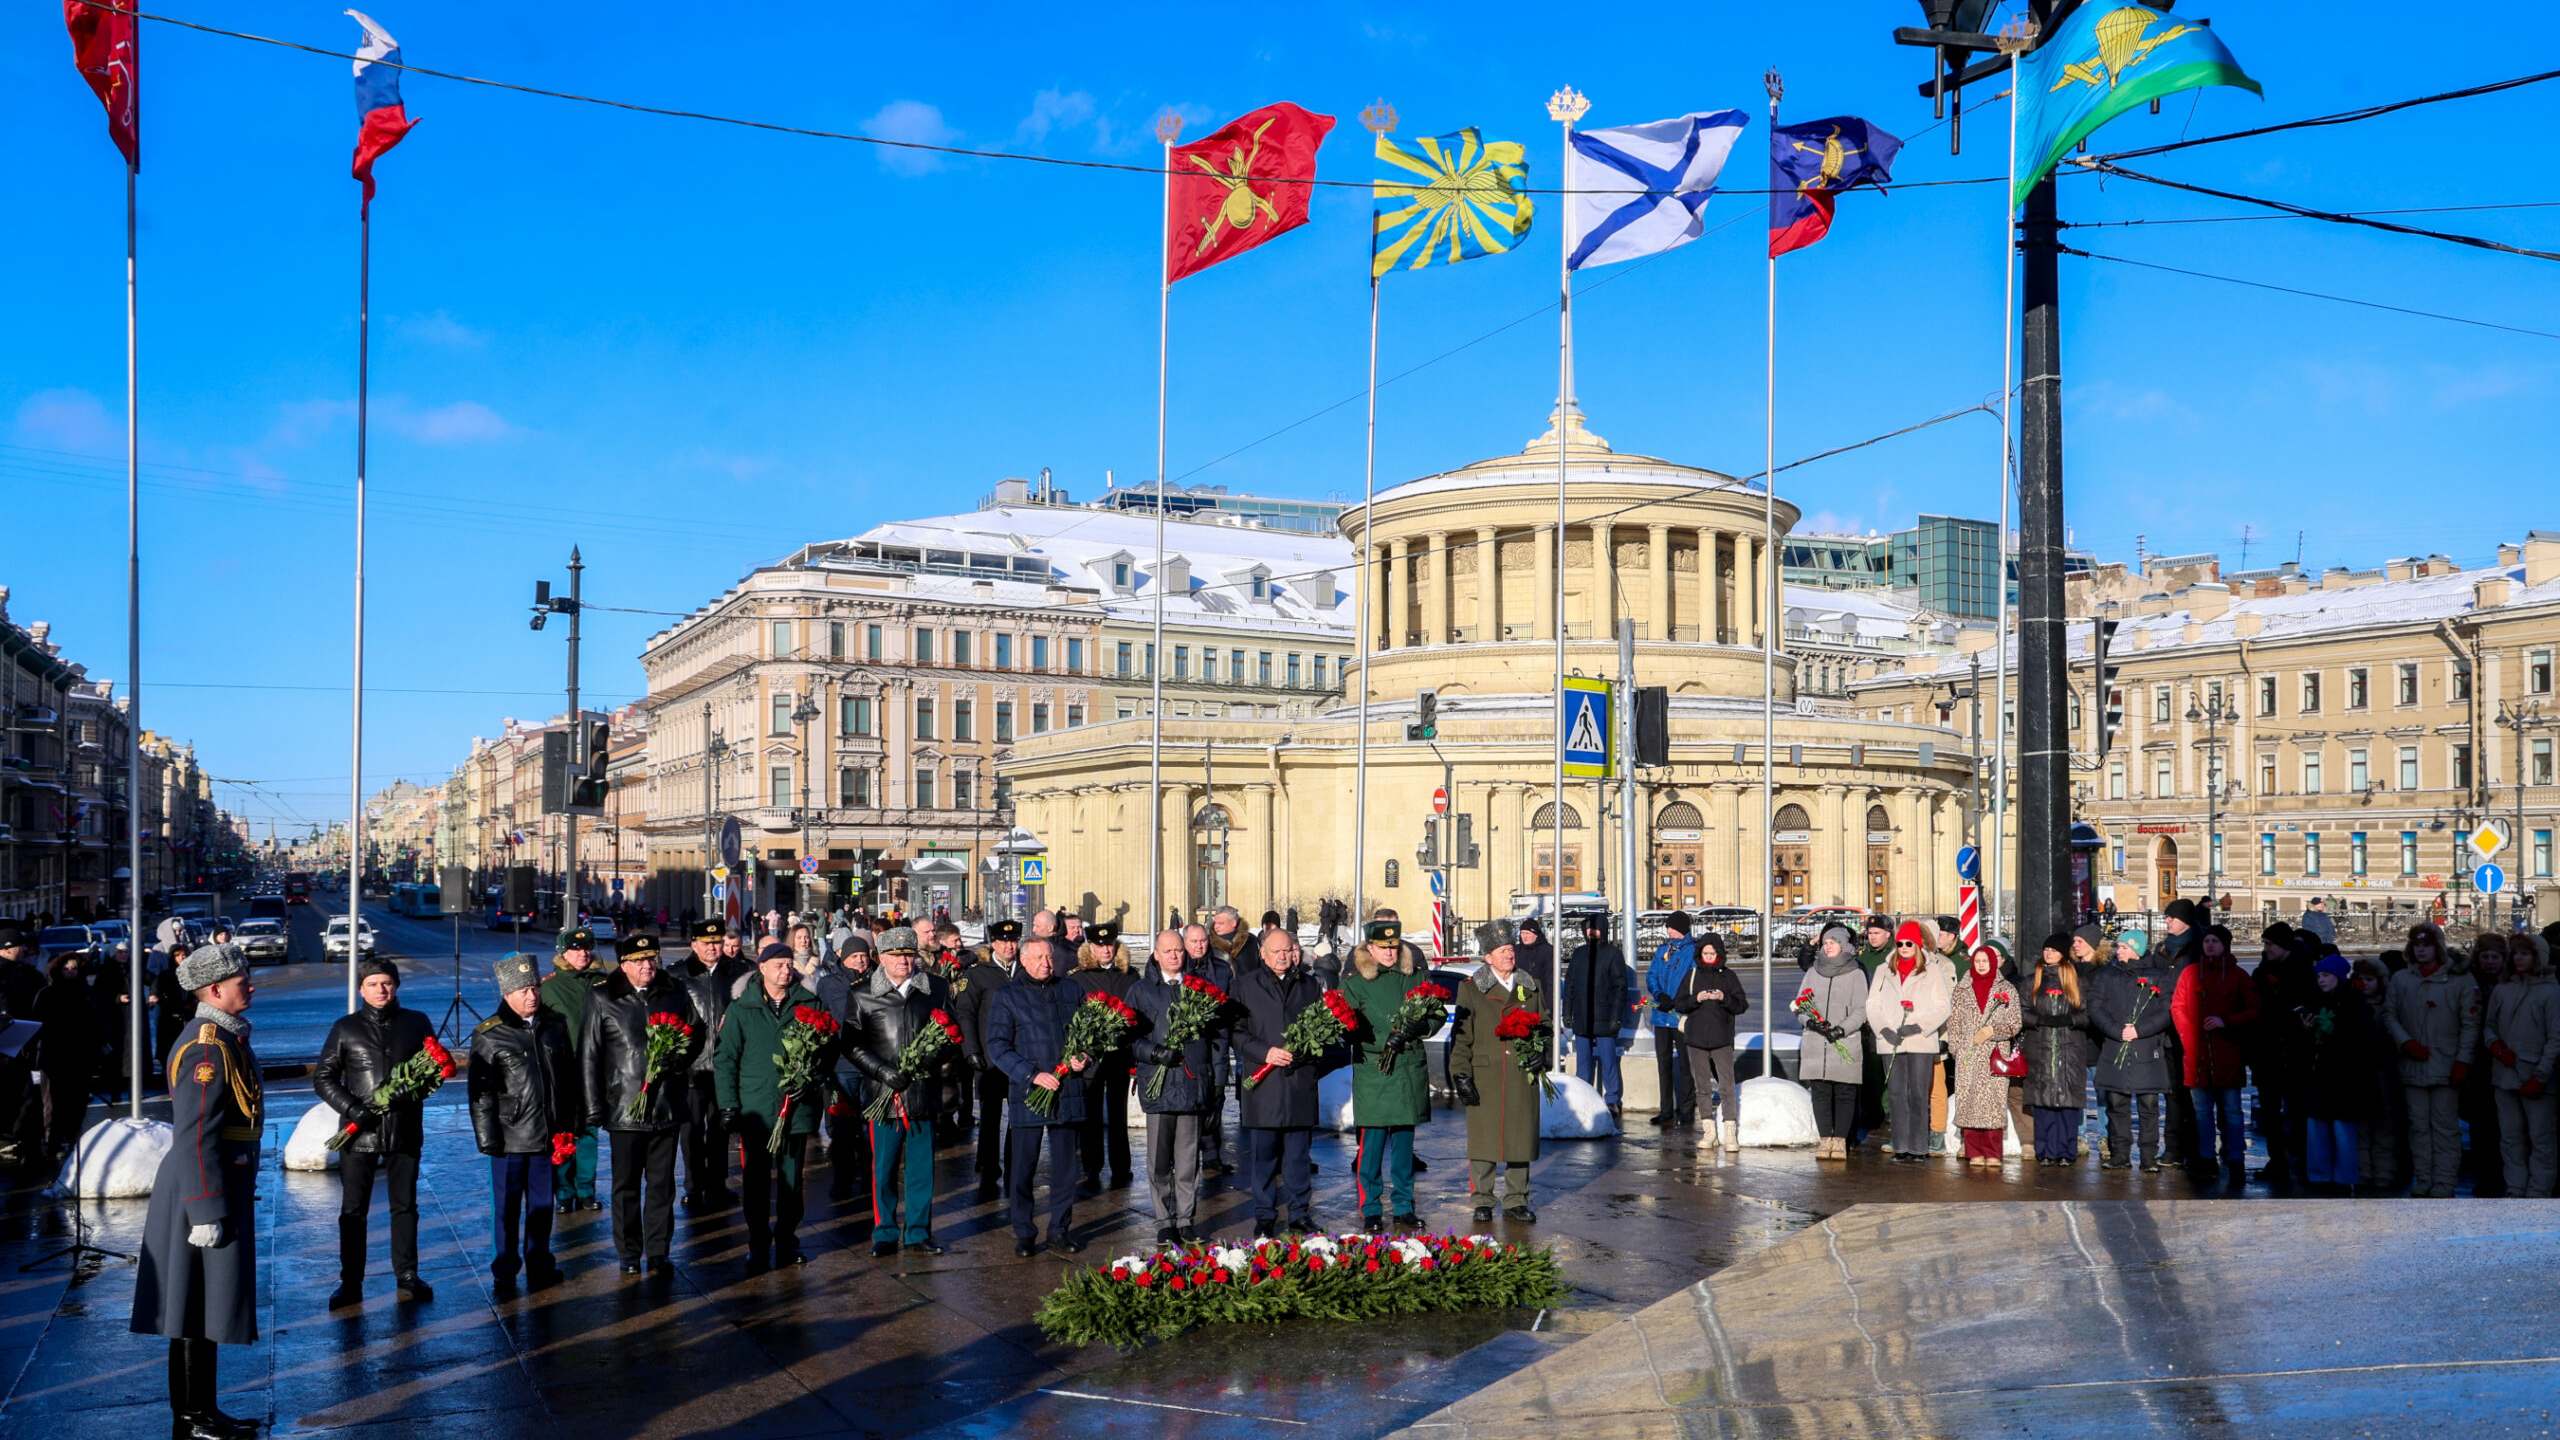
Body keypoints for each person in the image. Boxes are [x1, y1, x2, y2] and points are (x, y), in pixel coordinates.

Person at [129, 943, 261, 1440]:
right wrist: (205, 1209)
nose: (250, 986)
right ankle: (190, 1419)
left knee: (208, 1306)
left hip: (218, 1180)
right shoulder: (208, 1046)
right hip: (199, 1188)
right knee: (192, 1307)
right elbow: (194, 1133)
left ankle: (204, 1410)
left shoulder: (226, 1036)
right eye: (242, 981)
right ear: (215, 990)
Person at [581, 932, 705, 1276]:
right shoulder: (603, 996)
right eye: (639, 961)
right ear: (623, 965)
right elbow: (589, 1054)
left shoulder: (674, 990)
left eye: (651, 958)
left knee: (662, 1184)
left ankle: (659, 1250)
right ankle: (630, 1252)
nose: (647, 966)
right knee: (626, 1185)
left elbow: (696, 1032)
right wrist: (593, 1106)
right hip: (623, 1106)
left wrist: (678, 1062)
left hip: (666, 1104)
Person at [315, 957, 436, 1306]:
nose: (380, 990)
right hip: (359, 1135)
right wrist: (354, 1109)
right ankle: (350, 1281)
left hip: (404, 1130)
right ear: (361, 990)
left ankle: (407, 1275)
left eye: (386, 983)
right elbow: (323, 1078)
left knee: (405, 1206)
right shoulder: (346, 1028)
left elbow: (433, 1070)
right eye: (372, 984)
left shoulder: (416, 1022)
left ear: (396, 985)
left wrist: (406, 1092)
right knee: (353, 1210)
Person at [725, 942, 837, 1266]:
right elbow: (726, 1059)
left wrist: (811, 1079)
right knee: (756, 1181)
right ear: (761, 968)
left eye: (789, 965)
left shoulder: (810, 1003)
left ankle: (787, 1239)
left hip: (796, 1108)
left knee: (792, 1181)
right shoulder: (742, 1007)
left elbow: (828, 1051)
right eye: (779, 965)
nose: (786, 971)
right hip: (756, 1110)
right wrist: (728, 1105)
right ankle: (758, 1242)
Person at [469, 954, 576, 1289]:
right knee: (507, 1207)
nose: (532, 996)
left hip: (547, 1135)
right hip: (510, 1136)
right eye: (524, 991)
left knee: (542, 1205)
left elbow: (568, 1078)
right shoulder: (490, 1035)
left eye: (534, 988)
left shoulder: (554, 1025)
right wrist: (487, 1138)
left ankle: (539, 1262)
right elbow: (481, 1093)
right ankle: (505, 1268)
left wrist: (568, 1124)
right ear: (507, 995)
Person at [985, 937, 1090, 1255]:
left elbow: (1089, 1034)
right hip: (1029, 1092)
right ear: (1024, 959)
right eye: (1039, 958)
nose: (1046, 963)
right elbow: (998, 1045)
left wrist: (1085, 1057)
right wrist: (1031, 1075)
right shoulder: (1008, 996)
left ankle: (1059, 1229)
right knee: (1022, 1168)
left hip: (1067, 1089)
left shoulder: (1071, 989)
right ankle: (1024, 1232)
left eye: (1049, 957)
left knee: (1066, 1169)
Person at [1231, 927, 1338, 1236]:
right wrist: (1264, 1052)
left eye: (1287, 950)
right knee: (1264, 1155)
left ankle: (1299, 1213)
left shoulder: (1309, 985)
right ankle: (1265, 1215)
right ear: (1262, 954)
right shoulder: (1244, 986)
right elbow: (1235, 1032)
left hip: (1298, 1082)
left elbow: (1323, 1030)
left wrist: (1306, 1052)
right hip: (1263, 1084)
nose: (1282, 956)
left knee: (1298, 1156)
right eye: (1275, 951)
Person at [1130, 929, 1222, 1242]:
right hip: (1159, 1086)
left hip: (1192, 1083)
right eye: (1167, 951)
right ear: (1156, 954)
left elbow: (1216, 1040)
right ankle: (1163, 1221)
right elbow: (1128, 1037)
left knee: (1188, 1160)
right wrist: (1154, 1052)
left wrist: (1215, 1084)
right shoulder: (1142, 990)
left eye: (1179, 950)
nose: (1174, 956)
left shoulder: (1200, 989)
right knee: (1158, 1161)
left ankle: (1185, 1219)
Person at [1340, 919, 1430, 1232]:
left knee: (1404, 1147)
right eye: (1382, 947)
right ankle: (1371, 1209)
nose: (1390, 953)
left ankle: (1404, 1206)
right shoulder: (1355, 984)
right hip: (1375, 1073)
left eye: (1393, 946)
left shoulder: (1414, 976)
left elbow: (1435, 1011)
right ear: (1369, 948)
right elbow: (1347, 1027)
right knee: (1372, 1148)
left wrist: (1424, 1025)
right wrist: (1383, 1039)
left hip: (1407, 1070)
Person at [1449, 934, 1545, 1221]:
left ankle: (1517, 1200)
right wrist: (1461, 1073)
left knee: (1520, 1137)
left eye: (1511, 949)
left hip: (1521, 1073)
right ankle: (1483, 1199)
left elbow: (1545, 1024)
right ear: (1488, 957)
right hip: (1485, 1074)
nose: (1509, 955)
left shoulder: (1530, 985)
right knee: (1484, 1138)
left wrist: (1543, 1052)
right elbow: (1461, 1036)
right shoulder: (1471, 988)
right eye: (1502, 951)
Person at [2382, 922, 2477, 1198]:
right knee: (2419, 1127)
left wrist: (2463, 1061)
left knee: (2445, 1127)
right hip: (2413, 1065)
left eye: (2427, 945)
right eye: (2417, 945)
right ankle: (2424, 1178)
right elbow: (2390, 1015)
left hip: (2446, 1065)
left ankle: (2445, 1181)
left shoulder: (2460, 980)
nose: (2421, 950)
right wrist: (2406, 1042)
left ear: (2438, 948)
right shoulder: (2402, 979)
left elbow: (2470, 1023)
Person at [2172, 924, 2261, 1190]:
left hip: (2227, 1053)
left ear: (2225, 945)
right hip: (2197, 1056)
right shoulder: (2190, 973)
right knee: (2202, 1113)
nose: (2210, 945)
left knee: (2232, 1111)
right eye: (2207, 941)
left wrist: (2226, 1021)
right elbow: (2178, 1007)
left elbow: (2254, 1008)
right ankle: (2207, 1159)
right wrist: (2190, 1037)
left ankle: (2236, 1160)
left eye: (2215, 941)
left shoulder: (2237, 975)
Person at [2088, 930, 2176, 1171]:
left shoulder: (2157, 977)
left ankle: (2148, 1157)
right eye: (2118, 947)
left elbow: (2167, 1011)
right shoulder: (2107, 976)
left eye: (2125, 947)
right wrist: (2117, 1030)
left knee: (2148, 1107)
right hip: (2115, 1046)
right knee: (2116, 1105)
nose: (2119, 951)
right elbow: (2095, 1008)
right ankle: (2120, 1154)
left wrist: (2139, 1030)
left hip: (2146, 1050)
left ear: (2137, 949)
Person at [2294, 953, 2379, 1196]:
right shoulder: (2318, 999)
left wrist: (2334, 1031)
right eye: (2319, 976)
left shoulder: (2354, 1001)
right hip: (2320, 1073)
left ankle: (2344, 1178)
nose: (2321, 980)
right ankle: (2319, 1175)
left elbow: (2363, 1038)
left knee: (2342, 1129)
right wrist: (2308, 1030)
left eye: (2326, 975)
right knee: (2317, 1126)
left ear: (2338, 976)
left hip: (2344, 1075)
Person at [1867, 920, 1950, 1164]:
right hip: (1891, 1041)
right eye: (1900, 943)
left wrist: (1919, 1026)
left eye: (1909, 943)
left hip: (1920, 1041)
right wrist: (1883, 1029)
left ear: (1917, 945)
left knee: (1918, 1094)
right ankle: (1900, 1145)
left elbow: (1943, 1006)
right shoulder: (1884, 970)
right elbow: (1872, 1004)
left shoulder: (1931, 970)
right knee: (1896, 1094)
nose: (1904, 947)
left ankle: (1919, 1146)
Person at [539, 927, 610, 1212]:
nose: (583, 954)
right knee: (563, 1133)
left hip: (594, 1069)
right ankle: (564, 1193)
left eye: (587, 948)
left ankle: (586, 1191)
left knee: (589, 1131)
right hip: (562, 1070)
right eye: (576, 949)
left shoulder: (603, 983)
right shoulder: (549, 987)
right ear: (563, 953)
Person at [670, 919, 737, 1211]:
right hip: (692, 1068)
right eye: (707, 943)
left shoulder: (735, 973)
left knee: (721, 1129)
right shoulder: (678, 975)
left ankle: (718, 1183)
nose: (713, 948)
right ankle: (693, 1185)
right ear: (694, 945)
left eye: (717, 942)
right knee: (692, 1131)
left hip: (724, 1065)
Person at [2484, 933, 2558, 1198]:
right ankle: (2516, 1187)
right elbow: (2489, 1026)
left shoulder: (2551, 992)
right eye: (2515, 953)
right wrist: (2496, 1047)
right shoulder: (2503, 989)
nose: (2518, 958)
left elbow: (2556, 1038)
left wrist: (2541, 1075)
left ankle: (2539, 1190)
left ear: (2538, 957)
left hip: (2537, 1078)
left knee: (2541, 1138)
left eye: (2524, 953)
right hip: (2505, 1076)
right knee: (2511, 1137)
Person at [1668, 933, 1751, 1152]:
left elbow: (1741, 1005)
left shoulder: (1728, 976)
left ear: (1719, 953)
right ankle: (1709, 1131)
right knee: (1702, 1087)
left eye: (1712, 953)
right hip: (1696, 1040)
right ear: (1700, 954)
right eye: (1705, 953)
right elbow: (1679, 1004)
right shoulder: (1692, 974)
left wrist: (1724, 998)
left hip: (1722, 1039)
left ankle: (1730, 1133)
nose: (1709, 956)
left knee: (1726, 1086)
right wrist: (1696, 998)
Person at [958, 920, 1020, 1202]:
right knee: (991, 1116)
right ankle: (987, 1166)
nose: (1009, 946)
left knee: (1018, 1115)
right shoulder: (978, 974)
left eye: (1013, 940)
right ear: (993, 943)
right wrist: (971, 1050)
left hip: (1020, 1057)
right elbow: (966, 1013)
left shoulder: (1025, 970)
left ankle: (1014, 1165)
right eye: (1003, 941)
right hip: (989, 1057)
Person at [1795, 922, 1868, 1160]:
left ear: (1843, 945)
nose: (1827, 947)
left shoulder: (1855, 973)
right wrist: (1810, 1022)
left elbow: (1861, 1009)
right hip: (1817, 1041)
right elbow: (1800, 1004)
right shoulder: (1813, 971)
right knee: (1821, 1092)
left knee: (1845, 1092)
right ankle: (1825, 1138)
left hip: (1844, 1040)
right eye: (1825, 943)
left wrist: (1841, 1029)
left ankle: (1840, 1141)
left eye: (1832, 943)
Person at [1947, 942, 2023, 1168]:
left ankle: (1992, 1152)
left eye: (1985, 961)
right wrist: (1957, 1048)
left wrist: (1993, 1031)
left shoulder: (2007, 989)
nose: (1981, 965)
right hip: (1968, 1055)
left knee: (1992, 1105)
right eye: (1977, 961)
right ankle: (1973, 1151)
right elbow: (1954, 1022)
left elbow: (2015, 1022)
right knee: (1969, 1103)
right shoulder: (1962, 989)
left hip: (1994, 1054)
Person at [2249, 924, 2313, 1187]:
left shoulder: (2302, 971)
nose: (2266, 949)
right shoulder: (2261, 971)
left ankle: (2301, 1161)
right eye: (2265, 944)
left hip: (2295, 1052)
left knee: (2297, 1112)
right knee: (2270, 1113)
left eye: (2270, 944)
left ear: (2283, 945)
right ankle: (2277, 1161)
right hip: (2267, 1053)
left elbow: (2307, 1007)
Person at [1073, 923, 1136, 1190]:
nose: (1106, 950)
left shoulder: (1129, 975)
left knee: (1118, 1114)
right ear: (1091, 948)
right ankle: (1091, 1165)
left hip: (1120, 1055)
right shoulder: (1078, 978)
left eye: (1109, 944)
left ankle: (1121, 1165)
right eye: (1100, 946)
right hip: (1091, 1058)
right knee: (1092, 1114)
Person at [2021, 937, 2092, 1166]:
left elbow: (2088, 1014)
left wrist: (2070, 1020)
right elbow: (2021, 1011)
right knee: (2043, 1102)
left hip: (2069, 1050)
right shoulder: (2032, 981)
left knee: (2067, 1102)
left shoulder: (2076, 981)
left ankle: (2066, 1150)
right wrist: (2038, 1019)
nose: (2048, 953)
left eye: (2053, 949)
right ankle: (2045, 1151)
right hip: (2040, 1049)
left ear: (2063, 953)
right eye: (2046, 949)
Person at [1560, 914, 1632, 1118]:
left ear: (1603, 930)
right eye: (1588, 928)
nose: (1591, 932)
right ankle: (1584, 1097)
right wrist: (1567, 1012)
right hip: (1582, 1017)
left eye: (1595, 928)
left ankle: (1612, 1100)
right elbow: (1570, 985)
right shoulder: (1579, 954)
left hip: (1605, 1017)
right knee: (1583, 1063)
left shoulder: (1613, 955)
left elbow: (1620, 989)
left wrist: (1616, 1018)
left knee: (1609, 1061)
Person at [1180, 923, 1237, 1175]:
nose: (1199, 946)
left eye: (1203, 941)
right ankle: (1184, 1158)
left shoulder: (1221, 969)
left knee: (1216, 1096)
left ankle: (1213, 1155)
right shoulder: (1179, 969)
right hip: (1190, 1044)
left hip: (1217, 1042)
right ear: (1185, 943)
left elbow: (1231, 1003)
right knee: (1191, 1099)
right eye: (1194, 941)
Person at [36, 951, 99, 1159]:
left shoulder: (87, 992)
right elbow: (38, 1023)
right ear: (58, 970)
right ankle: (52, 1142)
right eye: (66, 969)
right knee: (54, 1102)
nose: (70, 972)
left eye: (74, 968)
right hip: (55, 1056)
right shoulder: (48, 994)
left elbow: (97, 1021)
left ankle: (73, 1140)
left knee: (78, 1101)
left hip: (81, 1056)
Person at [2463, 933, 2512, 1197]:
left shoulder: (2511, 983)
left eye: (2495, 957)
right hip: (2478, 1063)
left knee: (2506, 1126)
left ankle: (2506, 1177)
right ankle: (2486, 1179)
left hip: (2506, 1059)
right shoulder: (2470, 983)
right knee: (2481, 1126)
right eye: (2485, 957)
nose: (2490, 962)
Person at [1645, 913, 1701, 1128]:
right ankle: (1666, 1110)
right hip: (1661, 1016)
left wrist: (1679, 1001)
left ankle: (1687, 1109)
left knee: (1687, 1065)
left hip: (1681, 1016)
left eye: (1673, 927)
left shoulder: (1692, 951)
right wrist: (1659, 995)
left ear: (1683, 929)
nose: (1669, 931)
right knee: (1664, 1065)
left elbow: (1694, 980)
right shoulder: (1663, 950)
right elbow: (1652, 975)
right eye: (1667, 927)